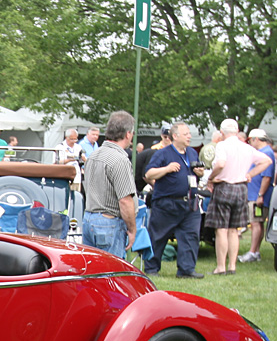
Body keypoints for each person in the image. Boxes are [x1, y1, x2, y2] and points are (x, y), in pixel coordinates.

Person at [205, 119, 271, 275]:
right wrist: (250, 174)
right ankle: (232, 266)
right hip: (241, 188)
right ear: (236, 131)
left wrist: (211, 178)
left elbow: (220, 164)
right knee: (234, 230)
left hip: (224, 187)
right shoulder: (246, 147)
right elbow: (266, 161)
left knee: (221, 229)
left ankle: (221, 267)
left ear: (222, 133)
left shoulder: (222, 145)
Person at [142, 122, 206, 278]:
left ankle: (187, 269)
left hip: (190, 202)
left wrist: (200, 173)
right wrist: (167, 169)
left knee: (190, 236)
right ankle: (151, 268)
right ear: (175, 136)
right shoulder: (163, 154)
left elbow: (195, 174)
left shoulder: (191, 153)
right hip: (167, 203)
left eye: (189, 134)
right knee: (158, 236)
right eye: (186, 134)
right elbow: (149, 174)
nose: (189, 136)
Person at [81, 111, 137, 258]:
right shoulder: (120, 159)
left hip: (88, 218)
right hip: (109, 222)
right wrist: (132, 229)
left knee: (91, 273)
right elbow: (125, 200)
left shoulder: (93, 155)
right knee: (111, 274)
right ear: (128, 134)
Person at [239, 129, 277, 263]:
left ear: (256, 139)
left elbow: (266, 177)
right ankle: (256, 251)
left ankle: (252, 252)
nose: (250, 143)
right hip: (255, 193)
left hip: (257, 195)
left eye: (250, 140)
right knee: (257, 222)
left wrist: (260, 195)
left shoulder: (266, 153)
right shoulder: (265, 152)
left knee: (256, 223)